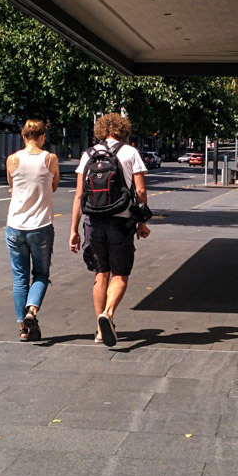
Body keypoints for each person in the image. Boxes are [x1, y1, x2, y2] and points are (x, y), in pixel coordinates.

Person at [70, 113, 149, 347]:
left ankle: (99, 329)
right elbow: (140, 191)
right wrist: (142, 222)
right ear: (123, 130)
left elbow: (79, 196)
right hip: (121, 221)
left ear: (101, 130)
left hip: (93, 221)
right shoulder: (130, 152)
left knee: (100, 273)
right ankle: (109, 313)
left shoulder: (88, 154)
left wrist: (74, 230)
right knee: (120, 273)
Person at [5, 119, 59, 342]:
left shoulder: (12, 159)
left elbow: (11, 186)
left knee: (20, 278)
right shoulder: (50, 159)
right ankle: (32, 311)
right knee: (41, 274)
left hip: (15, 227)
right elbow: (54, 186)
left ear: (23, 136)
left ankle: (23, 329)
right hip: (41, 226)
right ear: (43, 137)